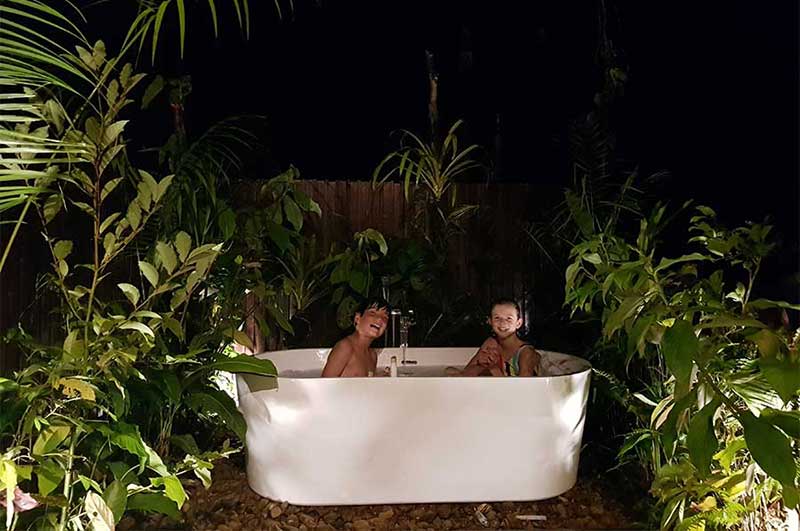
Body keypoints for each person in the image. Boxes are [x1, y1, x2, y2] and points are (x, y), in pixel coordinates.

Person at [461, 298, 541, 377]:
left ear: (518, 323)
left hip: (516, 389)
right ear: (490, 321)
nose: (502, 323)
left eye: (509, 318)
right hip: (498, 387)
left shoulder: (525, 352)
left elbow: (525, 387)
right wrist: (481, 366)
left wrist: (494, 368)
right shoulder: (491, 343)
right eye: (497, 318)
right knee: (450, 370)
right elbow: (465, 374)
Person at [321, 298, 389, 377]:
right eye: (372, 313)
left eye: (385, 316)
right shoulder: (345, 347)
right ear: (357, 318)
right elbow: (325, 384)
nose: (380, 319)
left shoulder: (372, 356)